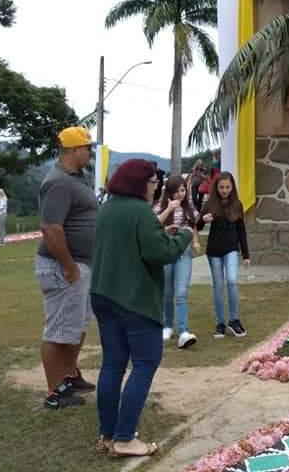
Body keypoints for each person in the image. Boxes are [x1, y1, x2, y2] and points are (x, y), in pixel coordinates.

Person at [91, 159, 193, 457]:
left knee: (112, 364)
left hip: (103, 295)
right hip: (133, 299)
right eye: (152, 182)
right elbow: (159, 253)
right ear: (139, 183)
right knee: (146, 363)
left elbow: (132, 241)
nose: (157, 186)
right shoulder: (139, 212)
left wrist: (161, 229)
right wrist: (184, 235)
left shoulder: (108, 209)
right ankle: (125, 439)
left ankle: (107, 435)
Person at [35, 126, 98, 410]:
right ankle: (54, 391)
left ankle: (69, 375)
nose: (90, 152)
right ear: (74, 150)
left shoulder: (77, 178)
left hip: (81, 265)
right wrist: (69, 266)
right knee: (58, 329)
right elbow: (50, 228)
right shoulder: (58, 182)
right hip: (65, 267)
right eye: (87, 148)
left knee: (76, 325)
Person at [153, 175, 202, 348]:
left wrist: (195, 240)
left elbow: (194, 224)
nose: (181, 194)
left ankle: (183, 331)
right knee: (167, 292)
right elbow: (153, 225)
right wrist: (168, 212)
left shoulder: (189, 207)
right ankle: (167, 326)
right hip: (166, 250)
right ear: (170, 193)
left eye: (183, 190)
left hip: (183, 251)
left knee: (181, 292)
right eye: (177, 191)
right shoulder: (160, 206)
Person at [199, 172, 249, 338]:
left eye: (228, 187)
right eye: (221, 187)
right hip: (214, 251)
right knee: (218, 286)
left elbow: (241, 230)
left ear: (232, 187)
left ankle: (234, 320)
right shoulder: (210, 203)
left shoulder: (237, 204)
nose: (224, 190)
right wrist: (203, 220)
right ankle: (220, 323)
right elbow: (197, 225)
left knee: (232, 281)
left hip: (232, 249)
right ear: (216, 187)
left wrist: (246, 254)